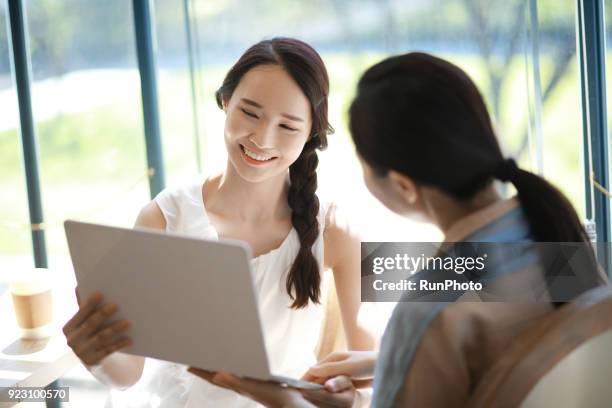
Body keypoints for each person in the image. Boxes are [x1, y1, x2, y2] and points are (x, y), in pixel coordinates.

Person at [187, 52, 608, 407]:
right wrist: (388, 360)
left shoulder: (430, 310)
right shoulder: (553, 229)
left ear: (404, 186)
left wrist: (283, 400)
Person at [62, 37, 375, 407]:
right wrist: (97, 352)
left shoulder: (338, 228)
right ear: (226, 102)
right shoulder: (165, 217)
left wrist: (346, 393)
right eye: (250, 113)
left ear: (311, 133)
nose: (262, 138)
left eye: (288, 126)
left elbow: (372, 375)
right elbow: (128, 374)